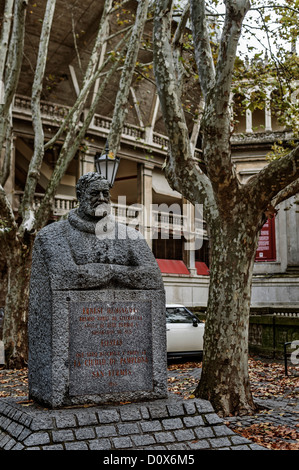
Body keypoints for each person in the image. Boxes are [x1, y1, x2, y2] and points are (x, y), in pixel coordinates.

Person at [30, 172, 163, 291]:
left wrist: (113, 271)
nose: (101, 198)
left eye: (105, 194)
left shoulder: (131, 236)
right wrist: (118, 272)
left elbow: (152, 276)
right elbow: (65, 276)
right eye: (94, 193)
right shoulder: (52, 235)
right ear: (80, 196)